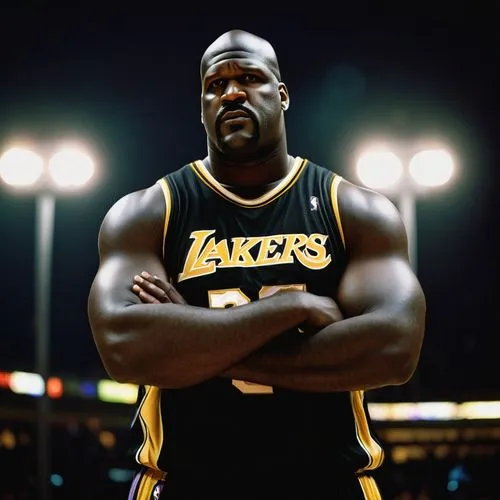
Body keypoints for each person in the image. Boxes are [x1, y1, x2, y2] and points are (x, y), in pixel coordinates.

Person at [87, 29, 426, 499]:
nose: (231, 92)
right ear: (202, 104)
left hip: (329, 481)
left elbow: (395, 349)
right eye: (215, 84)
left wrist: (196, 342)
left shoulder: (353, 209)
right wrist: (297, 310)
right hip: (187, 482)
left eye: (250, 77)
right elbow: (125, 349)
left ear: (281, 95)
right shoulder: (147, 212)